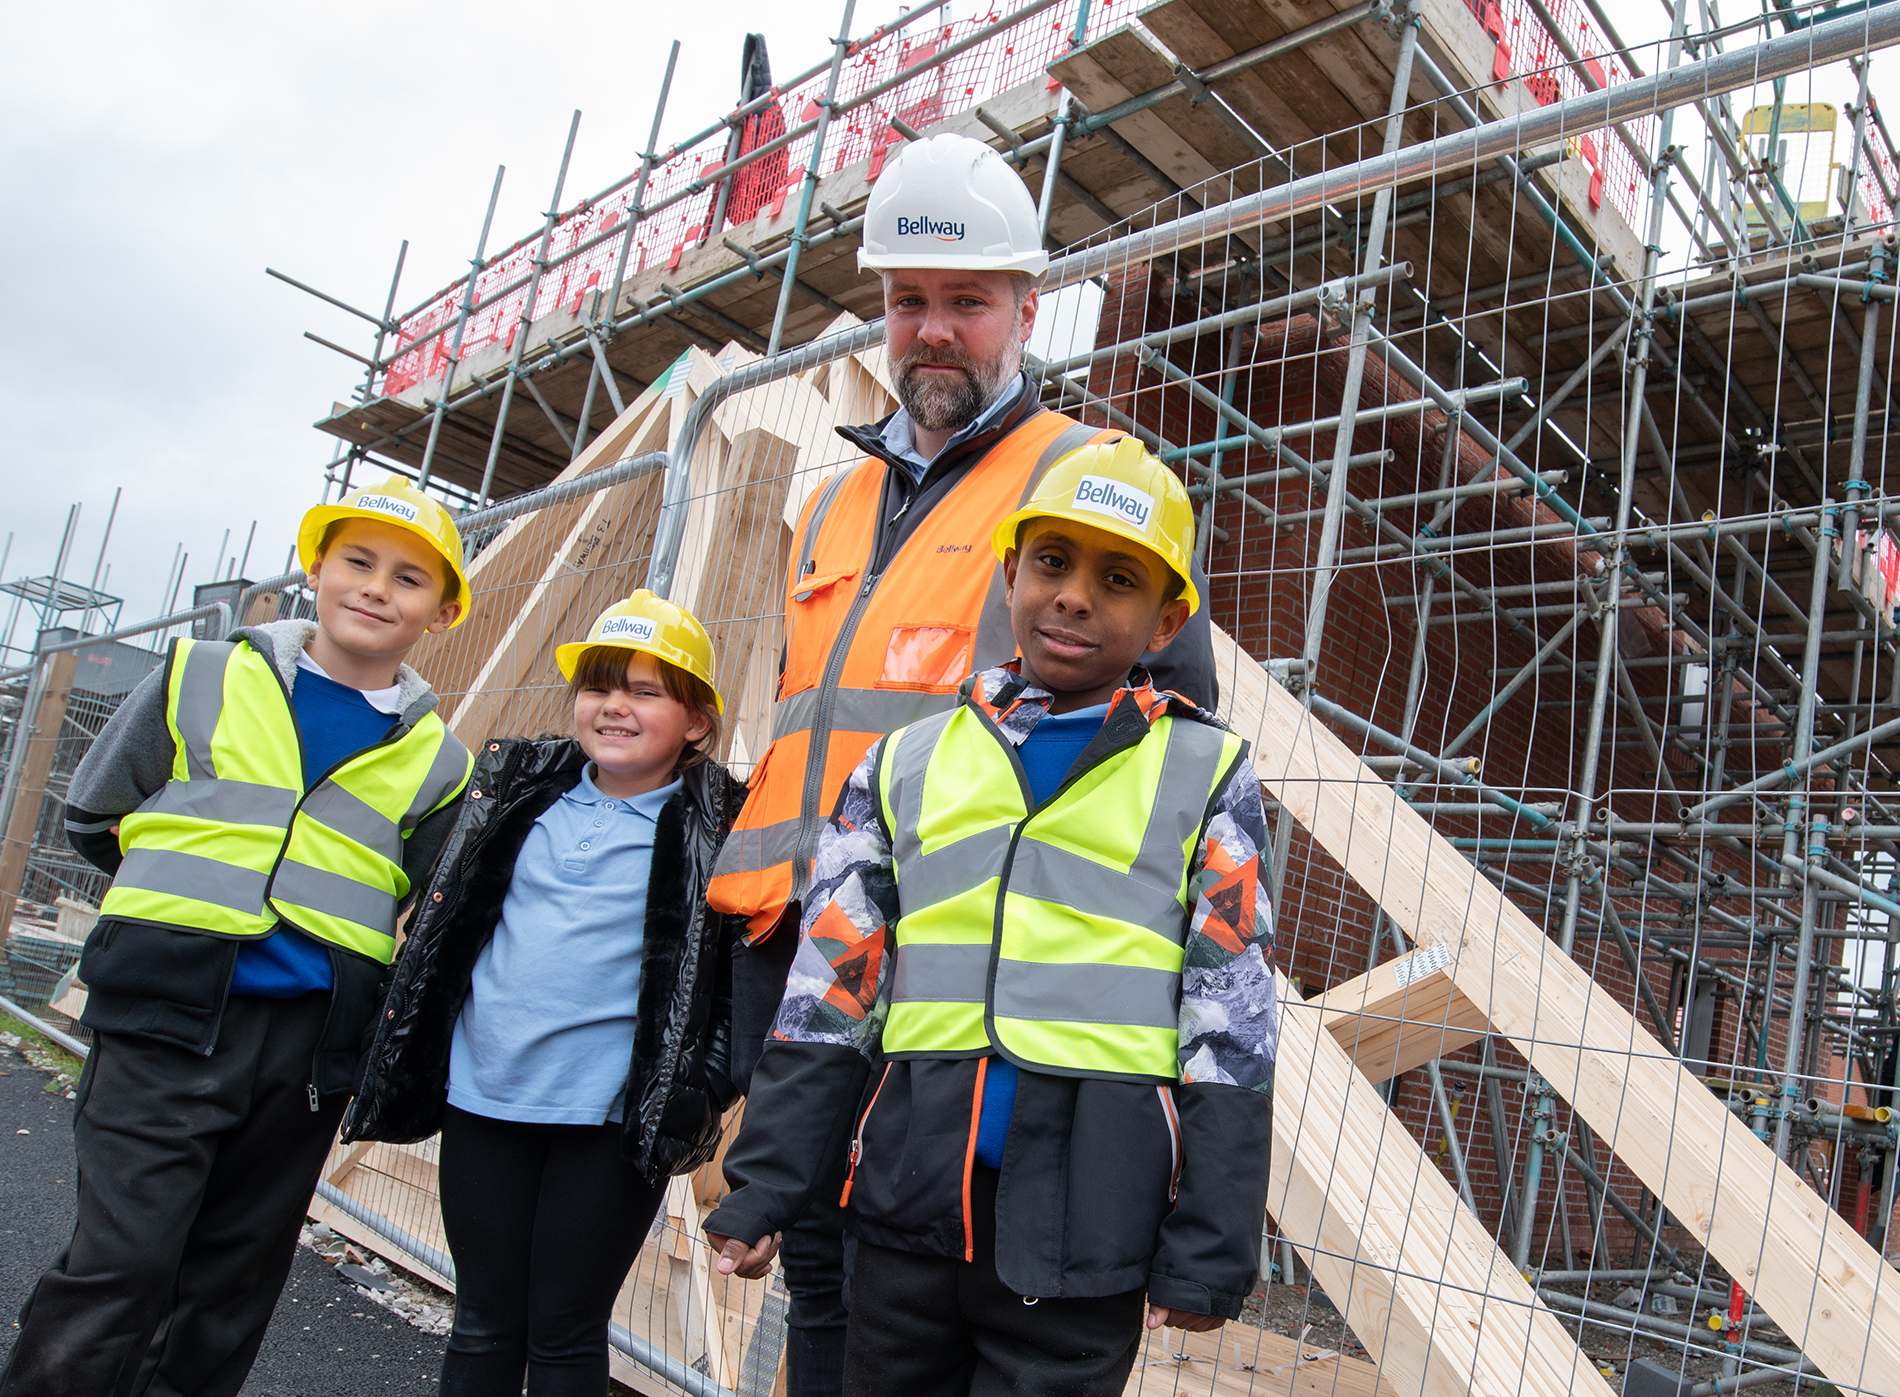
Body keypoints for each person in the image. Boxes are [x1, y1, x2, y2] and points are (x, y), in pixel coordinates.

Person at [705, 130, 1221, 1397]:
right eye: (909, 301)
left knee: (888, 1292)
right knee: (819, 1278)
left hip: (952, 972)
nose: (933, 330)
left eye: (966, 302)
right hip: (802, 944)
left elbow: (1167, 749)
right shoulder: (835, 501)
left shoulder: (1084, 484)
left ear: (1023, 310)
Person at [704, 440, 1277, 1396]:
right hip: (907, 1193)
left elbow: (1234, 1021)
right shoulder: (902, 765)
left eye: (1119, 578)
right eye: (1051, 562)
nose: (1075, 596)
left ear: (1169, 616)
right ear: (1010, 572)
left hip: (1088, 1216)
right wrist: (768, 1178)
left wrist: (1212, 1239)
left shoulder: (1208, 775)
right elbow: (828, 995)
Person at [0, 477, 477, 1397]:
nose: (378, 588)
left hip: (302, 1053)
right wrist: (177, 912)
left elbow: (417, 894)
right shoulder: (199, 673)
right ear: (316, 568)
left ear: (443, 610)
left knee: (230, 1288)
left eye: (410, 578)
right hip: (164, 1016)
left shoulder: (440, 760)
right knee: (123, 1267)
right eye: (358, 562)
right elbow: (97, 815)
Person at [342, 589, 743, 1397]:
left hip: (603, 1120)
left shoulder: (719, 828)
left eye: (644, 689)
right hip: (487, 1099)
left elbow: (730, 989)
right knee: (484, 1320)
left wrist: (703, 1091)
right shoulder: (519, 796)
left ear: (696, 721)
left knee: (563, 1332)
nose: (613, 706)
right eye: (598, 686)